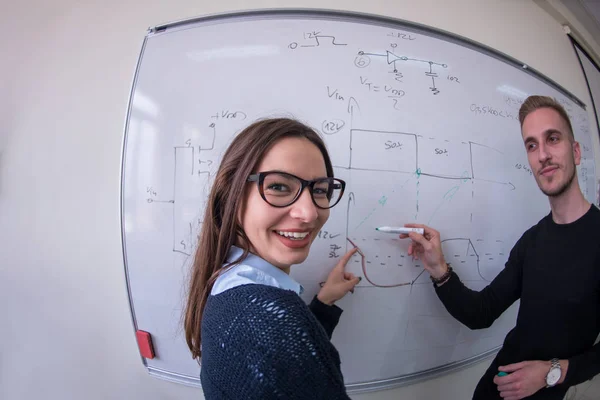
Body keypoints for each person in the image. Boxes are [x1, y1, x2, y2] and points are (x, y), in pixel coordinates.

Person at [401, 95, 600, 400]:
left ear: (575, 151)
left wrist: (551, 372)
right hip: (492, 390)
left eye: (553, 139)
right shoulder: (531, 241)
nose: (543, 154)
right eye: (532, 145)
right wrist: (438, 267)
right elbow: (481, 313)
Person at [184, 118, 360, 400]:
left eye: (319, 190)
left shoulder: (227, 281)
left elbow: (286, 369)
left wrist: (324, 303)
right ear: (230, 192)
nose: (310, 213)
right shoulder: (268, 318)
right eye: (279, 187)